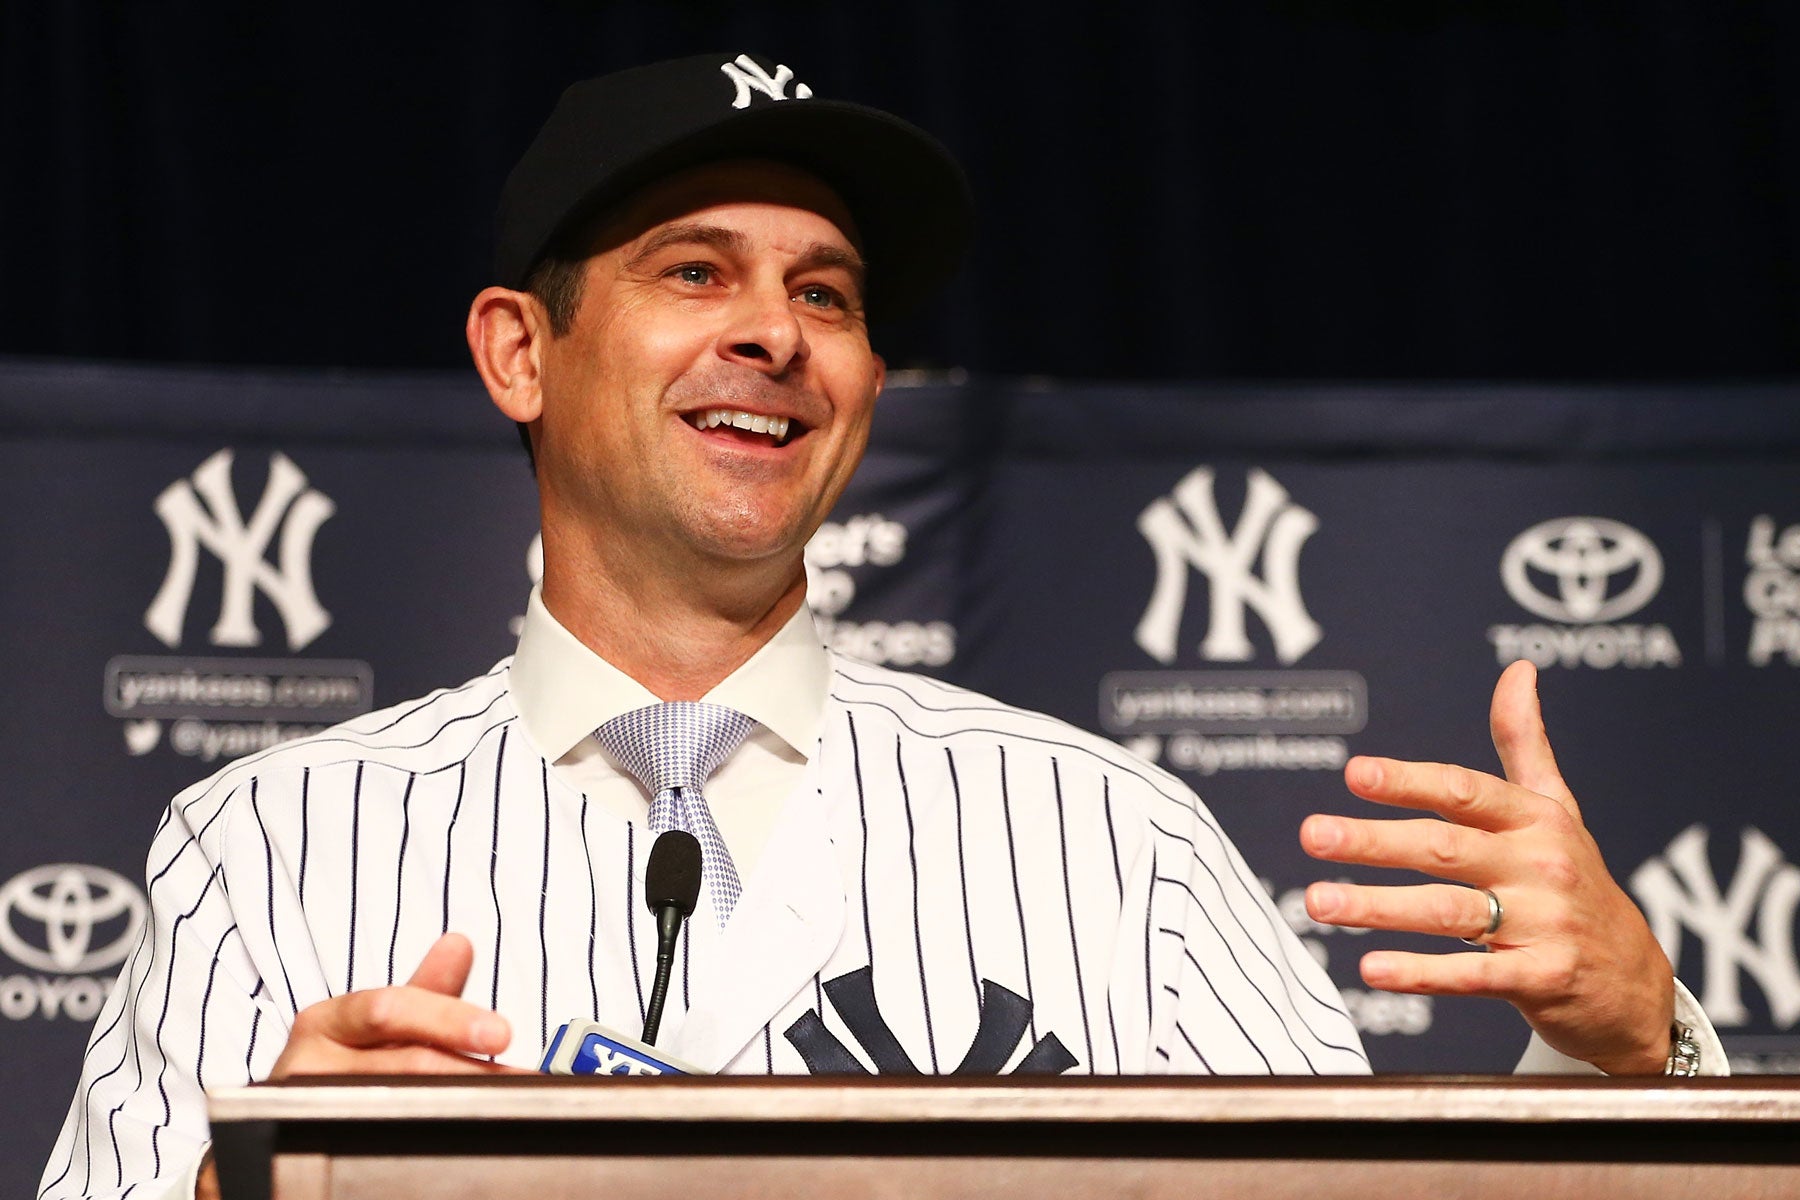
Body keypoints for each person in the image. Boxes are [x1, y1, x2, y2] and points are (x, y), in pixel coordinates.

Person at [39, 51, 1719, 1200]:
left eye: (824, 292)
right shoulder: (266, 842)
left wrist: (1634, 1053)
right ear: (517, 353)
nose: (774, 332)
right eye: (695, 272)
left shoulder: (1109, 834)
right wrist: (240, 1184)